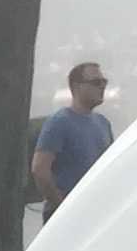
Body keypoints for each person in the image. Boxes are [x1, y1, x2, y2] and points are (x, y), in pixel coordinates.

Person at [30, 60, 113, 220]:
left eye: (104, 82)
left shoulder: (103, 123)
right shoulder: (59, 122)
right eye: (96, 82)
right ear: (76, 86)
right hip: (64, 216)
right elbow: (40, 169)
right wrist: (60, 205)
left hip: (94, 212)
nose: (102, 86)